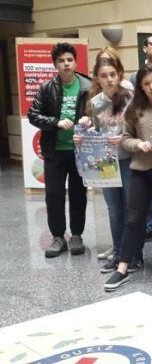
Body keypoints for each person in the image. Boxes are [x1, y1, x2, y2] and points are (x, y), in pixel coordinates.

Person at [103, 63, 152, 291]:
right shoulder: (134, 108)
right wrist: (138, 144)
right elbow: (125, 138)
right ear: (141, 87)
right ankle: (123, 267)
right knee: (134, 219)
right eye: (146, 84)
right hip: (140, 171)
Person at [75, 58, 139, 273]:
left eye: (112, 74)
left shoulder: (130, 97)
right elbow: (96, 133)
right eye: (104, 75)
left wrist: (122, 138)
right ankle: (119, 254)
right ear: (97, 79)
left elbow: (138, 128)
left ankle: (134, 256)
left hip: (129, 160)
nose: (109, 79)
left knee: (132, 209)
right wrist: (84, 129)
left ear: (119, 74)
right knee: (114, 210)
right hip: (107, 163)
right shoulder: (96, 102)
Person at [28, 42, 92, 258]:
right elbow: (33, 115)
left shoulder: (87, 85)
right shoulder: (47, 88)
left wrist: (89, 119)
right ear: (55, 64)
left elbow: (99, 112)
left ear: (75, 62)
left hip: (80, 151)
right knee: (53, 194)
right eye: (61, 61)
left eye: (70, 60)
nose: (66, 64)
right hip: (55, 151)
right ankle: (57, 237)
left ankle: (76, 236)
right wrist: (55, 122)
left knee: (78, 195)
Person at [128, 33, 152, 243]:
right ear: (144, 48)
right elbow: (130, 126)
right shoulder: (134, 78)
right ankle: (149, 227)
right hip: (141, 159)